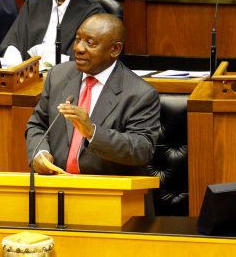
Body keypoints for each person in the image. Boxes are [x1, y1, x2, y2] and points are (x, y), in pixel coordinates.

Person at [26, 13, 160, 176]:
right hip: (57, 187)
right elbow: (37, 124)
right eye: (77, 39)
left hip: (110, 195)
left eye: (90, 43)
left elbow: (142, 149)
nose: (78, 48)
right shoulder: (58, 75)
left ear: (115, 50)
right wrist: (40, 154)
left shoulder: (140, 94)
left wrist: (92, 131)